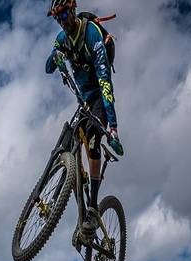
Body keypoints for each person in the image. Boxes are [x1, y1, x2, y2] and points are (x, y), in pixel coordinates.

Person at [45, 0, 123, 236]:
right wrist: (56, 56)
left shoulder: (91, 35)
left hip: (99, 98)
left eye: (65, 13)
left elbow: (104, 81)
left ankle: (92, 206)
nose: (62, 20)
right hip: (84, 101)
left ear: (74, 9)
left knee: (91, 140)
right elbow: (48, 66)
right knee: (69, 137)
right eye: (57, 17)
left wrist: (113, 127)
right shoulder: (62, 39)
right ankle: (75, 204)